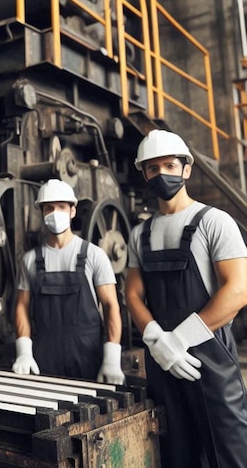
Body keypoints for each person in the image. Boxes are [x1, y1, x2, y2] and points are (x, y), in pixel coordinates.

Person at [125, 129, 247, 467]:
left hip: (209, 353)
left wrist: (181, 339)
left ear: (186, 169)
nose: (162, 174)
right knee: (176, 452)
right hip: (161, 357)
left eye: (169, 165)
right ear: (144, 174)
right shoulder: (141, 233)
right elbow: (132, 293)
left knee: (229, 450)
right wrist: (157, 340)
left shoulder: (214, 222)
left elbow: (238, 289)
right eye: (153, 168)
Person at [12, 178, 125, 383]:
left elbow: (111, 307)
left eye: (62, 207)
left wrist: (112, 359)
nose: (55, 213)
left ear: (73, 211)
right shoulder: (30, 260)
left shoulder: (94, 255)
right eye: (49, 208)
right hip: (45, 355)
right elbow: (21, 307)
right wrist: (24, 351)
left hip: (89, 355)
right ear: (42, 212)